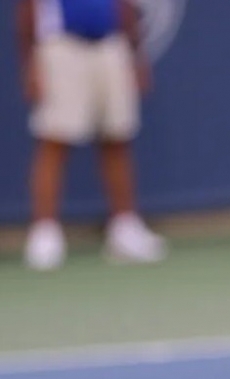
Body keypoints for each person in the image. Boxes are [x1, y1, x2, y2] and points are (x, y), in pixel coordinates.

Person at [16, 0, 166, 270]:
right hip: (60, 45)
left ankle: (124, 228)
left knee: (117, 138)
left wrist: (135, 54)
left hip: (111, 45)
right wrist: (31, 60)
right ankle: (45, 233)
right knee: (54, 140)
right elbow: (28, 6)